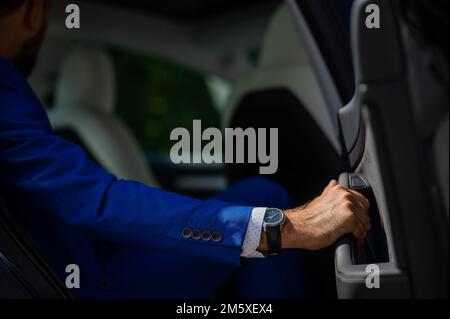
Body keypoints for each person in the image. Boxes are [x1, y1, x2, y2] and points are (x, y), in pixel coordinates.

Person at [0, 0, 371, 298]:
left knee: (261, 194)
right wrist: (288, 227)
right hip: (93, 283)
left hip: (85, 266)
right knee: (265, 195)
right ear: (33, 11)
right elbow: (97, 202)